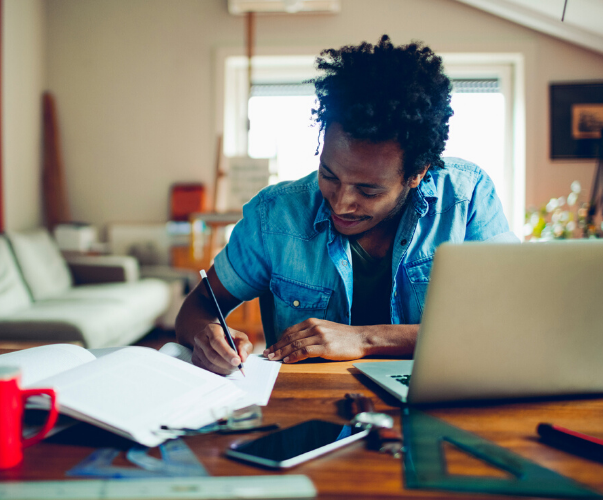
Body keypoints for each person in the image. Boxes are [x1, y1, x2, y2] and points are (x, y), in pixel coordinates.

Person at [175, 35, 517, 375]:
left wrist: (367, 338)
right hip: (309, 419)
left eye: (368, 191)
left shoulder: (466, 198)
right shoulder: (275, 216)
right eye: (329, 175)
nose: (341, 202)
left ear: (417, 173)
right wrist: (208, 334)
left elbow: (509, 326)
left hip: (435, 411)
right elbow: (198, 306)